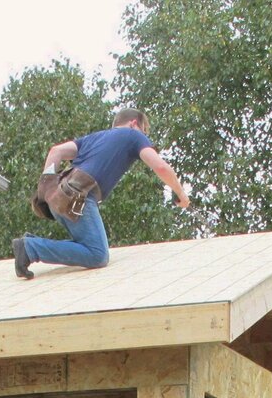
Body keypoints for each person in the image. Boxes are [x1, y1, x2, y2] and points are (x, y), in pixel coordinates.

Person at [13, 108, 190, 279]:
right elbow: (160, 166)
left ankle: (32, 245)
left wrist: (46, 185)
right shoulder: (134, 135)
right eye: (143, 131)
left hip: (60, 196)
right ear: (133, 123)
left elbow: (56, 151)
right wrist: (180, 193)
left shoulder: (93, 138)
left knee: (87, 247)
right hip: (79, 195)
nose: (144, 137)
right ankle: (31, 248)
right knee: (97, 254)